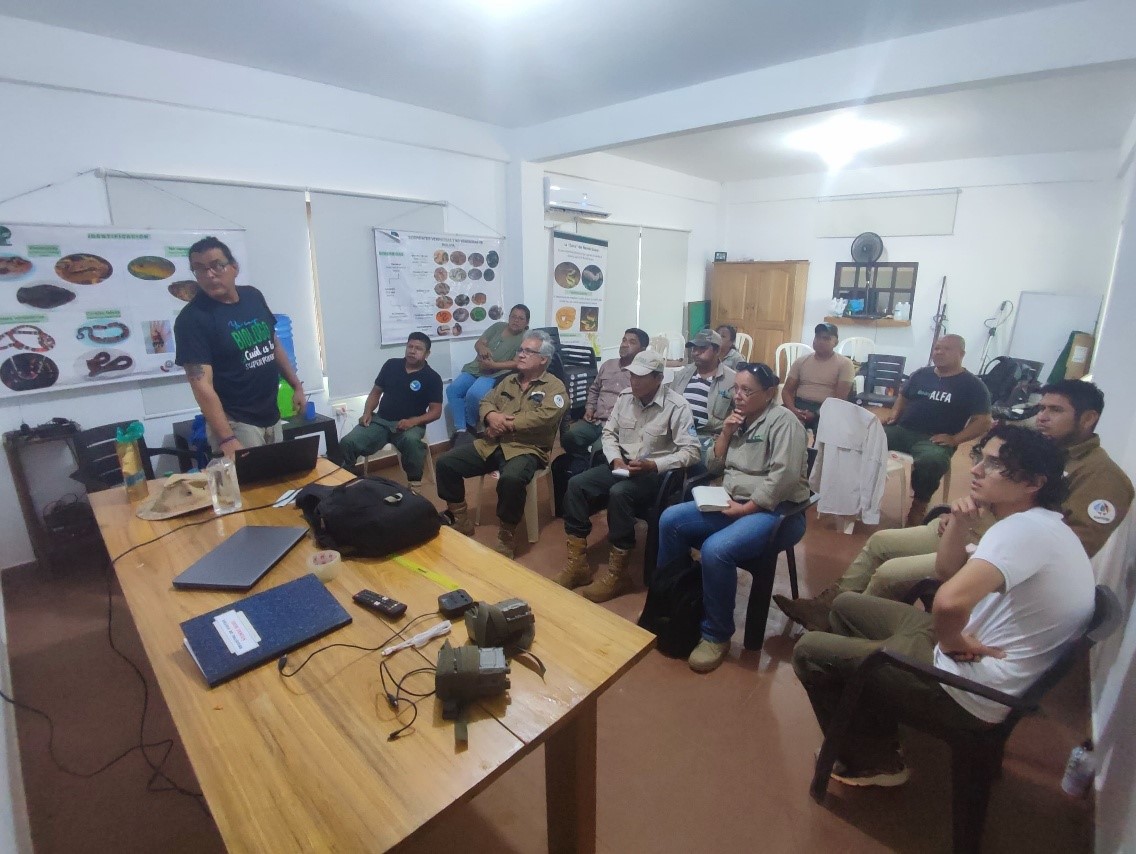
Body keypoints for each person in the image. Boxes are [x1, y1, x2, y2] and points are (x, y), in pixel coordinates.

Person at [791, 425, 1094, 787]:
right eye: (980, 457)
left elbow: (949, 603)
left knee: (809, 650)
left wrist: (952, 643)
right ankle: (872, 718)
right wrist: (961, 522)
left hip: (968, 688)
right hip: (974, 657)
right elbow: (946, 572)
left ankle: (876, 762)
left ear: (1033, 483)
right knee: (846, 606)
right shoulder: (1035, 524)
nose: (976, 469)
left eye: (994, 464)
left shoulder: (1022, 532)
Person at [776, 379, 1133, 630]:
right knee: (881, 542)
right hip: (967, 528)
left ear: (1088, 418)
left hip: (989, 553)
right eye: (1041, 408)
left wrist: (976, 534)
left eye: (1055, 410)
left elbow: (1073, 545)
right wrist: (960, 514)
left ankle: (848, 626)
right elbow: (994, 485)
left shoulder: (1104, 478)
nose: (1042, 416)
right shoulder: (1039, 449)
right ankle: (828, 606)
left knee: (890, 573)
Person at [656, 362, 810, 673]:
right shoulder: (738, 418)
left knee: (716, 549)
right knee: (671, 520)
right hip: (732, 501)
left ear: (769, 393)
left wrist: (746, 508)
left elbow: (783, 478)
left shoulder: (784, 422)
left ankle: (716, 634)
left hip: (777, 511)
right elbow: (714, 467)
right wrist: (726, 433)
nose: (738, 396)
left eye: (746, 390)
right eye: (735, 389)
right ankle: (671, 606)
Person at [556, 350, 701, 603]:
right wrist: (615, 458)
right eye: (632, 375)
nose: (634, 381)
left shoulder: (677, 406)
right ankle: (578, 564)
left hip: (654, 474)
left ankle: (618, 573)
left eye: (641, 377)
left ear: (658, 378)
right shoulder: (625, 397)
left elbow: (692, 452)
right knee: (577, 484)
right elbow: (609, 433)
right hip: (622, 464)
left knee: (619, 493)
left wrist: (653, 465)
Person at [435, 330, 567, 558]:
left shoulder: (555, 387)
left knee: (512, 479)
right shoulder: (509, 380)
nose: (521, 354)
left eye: (528, 351)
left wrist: (504, 423)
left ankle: (507, 534)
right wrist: (491, 416)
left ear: (543, 359)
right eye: (521, 350)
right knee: (446, 463)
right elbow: (486, 401)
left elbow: (545, 416)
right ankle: (460, 518)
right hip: (492, 443)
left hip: (527, 449)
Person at [174, 236, 306, 458]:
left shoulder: (252, 296)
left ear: (234, 267)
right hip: (236, 423)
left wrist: (296, 386)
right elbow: (201, 385)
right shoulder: (192, 319)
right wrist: (227, 438)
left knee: (278, 476)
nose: (209, 275)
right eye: (199, 269)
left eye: (217, 265)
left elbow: (272, 343)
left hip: (271, 414)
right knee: (249, 481)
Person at [884, 334, 992, 526]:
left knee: (932, 461)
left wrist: (955, 439)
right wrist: (894, 414)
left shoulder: (973, 386)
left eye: (946, 349)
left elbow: (983, 421)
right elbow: (903, 396)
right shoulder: (920, 374)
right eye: (937, 348)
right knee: (865, 438)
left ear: (961, 354)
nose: (939, 352)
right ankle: (860, 492)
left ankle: (919, 505)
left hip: (933, 440)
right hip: (903, 430)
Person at [333, 332, 443, 487]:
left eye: (418, 348)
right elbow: (375, 392)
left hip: (410, 425)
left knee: (412, 443)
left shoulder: (432, 377)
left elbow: (436, 411)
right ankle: (347, 480)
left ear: (427, 354)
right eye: (410, 346)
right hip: (381, 421)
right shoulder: (391, 365)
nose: (412, 351)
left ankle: (414, 484)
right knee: (348, 442)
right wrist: (367, 412)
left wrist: (413, 421)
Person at [560, 328, 649, 458]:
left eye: (632, 342)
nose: (625, 344)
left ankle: (595, 465)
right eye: (624, 340)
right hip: (595, 421)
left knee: (600, 450)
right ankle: (582, 463)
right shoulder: (608, 365)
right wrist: (589, 408)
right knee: (569, 436)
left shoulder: (642, 374)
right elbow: (594, 389)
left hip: (618, 427)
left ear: (642, 350)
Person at [446, 304, 529, 435]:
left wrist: (493, 365)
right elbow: (479, 343)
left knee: (474, 394)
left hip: (496, 373)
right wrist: (482, 348)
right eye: (513, 316)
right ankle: (461, 430)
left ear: (527, 322)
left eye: (521, 318)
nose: (516, 320)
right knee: (453, 389)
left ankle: (471, 426)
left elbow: (516, 363)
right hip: (476, 368)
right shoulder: (498, 327)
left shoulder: (525, 338)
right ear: (509, 317)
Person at [670, 328, 736, 461]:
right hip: (678, 435)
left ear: (717, 350)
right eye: (694, 348)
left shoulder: (731, 380)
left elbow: (739, 414)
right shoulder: (682, 374)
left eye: (702, 348)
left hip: (709, 438)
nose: (695, 352)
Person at [782, 322, 855, 428]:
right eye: (817, 337)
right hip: (799, 405)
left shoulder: (845, 364)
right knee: (778, 422)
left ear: (836, 342)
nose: (820, 341)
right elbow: (787, 391)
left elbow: (840, 399)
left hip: (827, 409)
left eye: (826, 338)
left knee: (829, 428)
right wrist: (793, 410)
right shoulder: (801, 361)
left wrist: (816, 414)